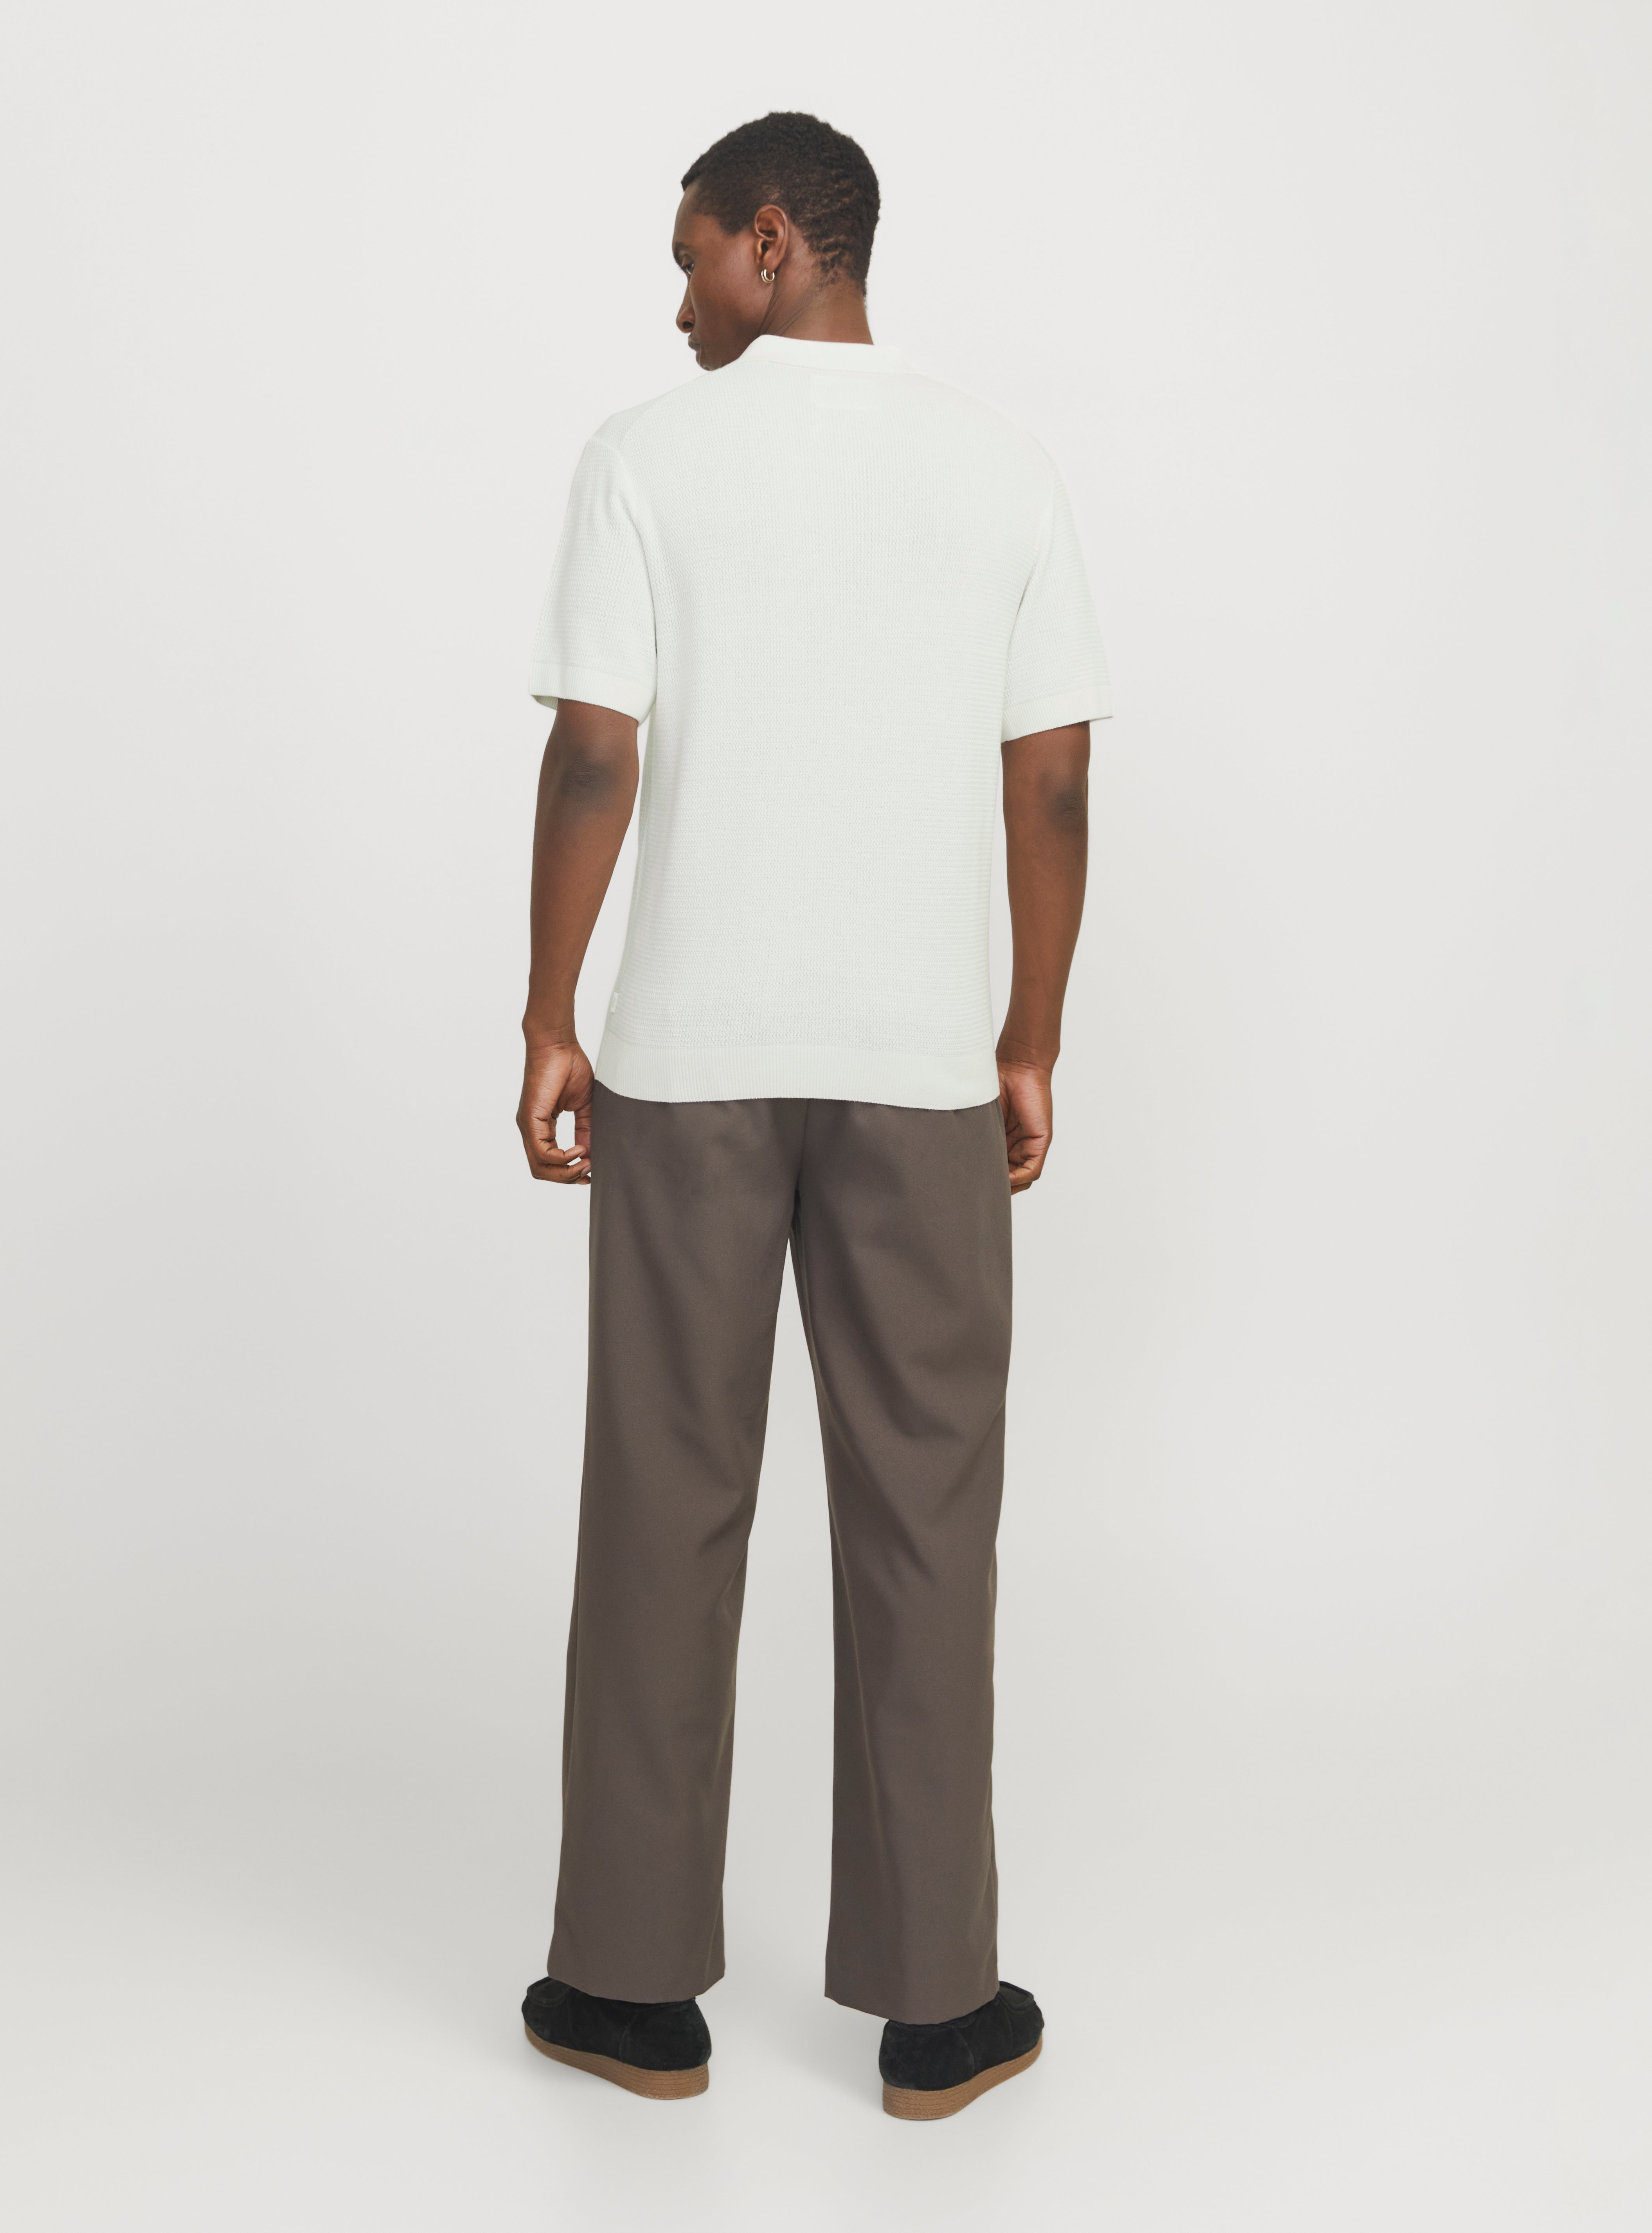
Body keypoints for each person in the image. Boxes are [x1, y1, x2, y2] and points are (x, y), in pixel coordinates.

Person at [515, 110, 1111, 2120]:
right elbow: (1051, 782)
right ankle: (939, 2007)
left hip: (685, 1062)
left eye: (693, 255)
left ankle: (626, 1988)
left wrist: (549, 1010)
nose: (678, 298)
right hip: (922, 1069)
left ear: (774, 240)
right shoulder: (999, 466)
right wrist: (1030, 1035)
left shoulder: (641, 459)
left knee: (661, 1507)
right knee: (927, 1513)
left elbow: (593, 755)